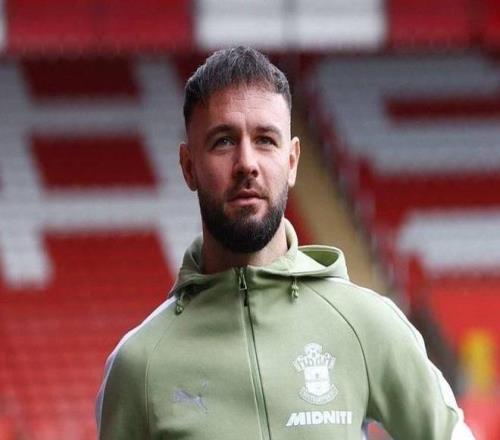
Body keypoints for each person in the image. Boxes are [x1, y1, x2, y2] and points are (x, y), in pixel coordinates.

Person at [96, 46, 475, 439]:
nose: (247, 163)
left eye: (265, 140)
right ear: (189, 166)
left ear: (292, 161)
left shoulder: (366, 323)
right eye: (223, 141)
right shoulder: (140, 364)